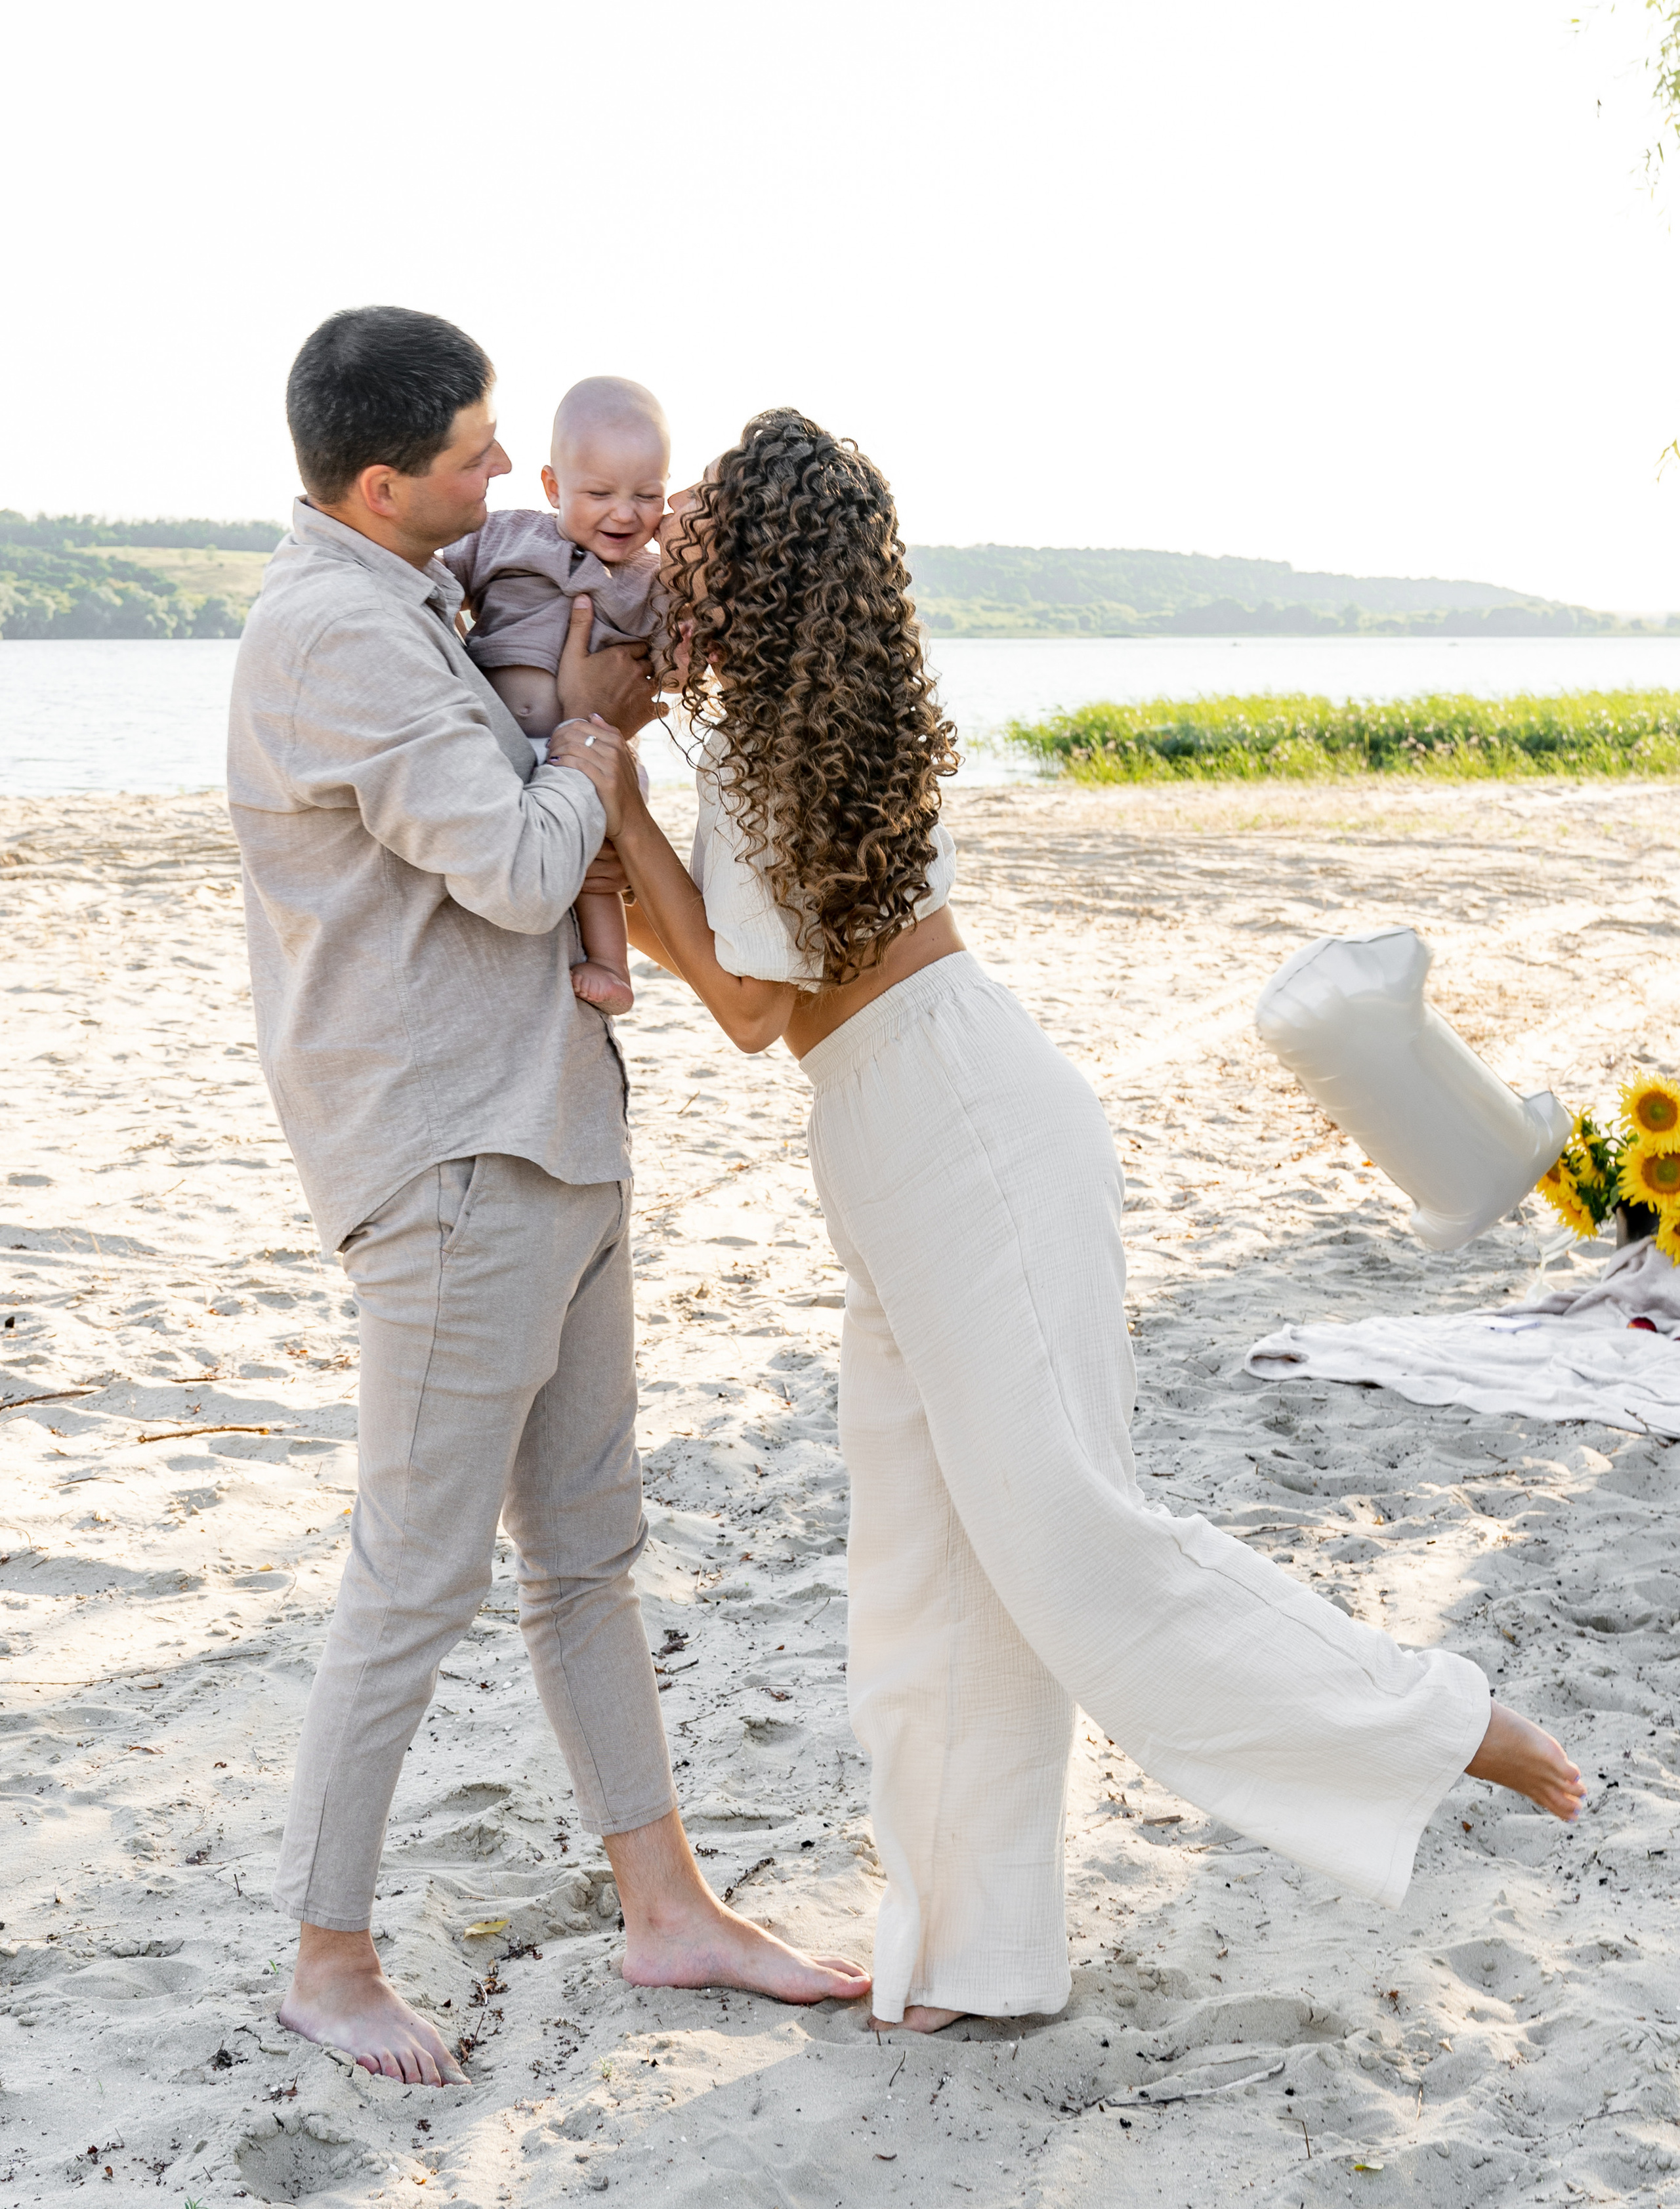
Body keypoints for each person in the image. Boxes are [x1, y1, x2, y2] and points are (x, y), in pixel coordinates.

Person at [553, 406, 1587, 2036]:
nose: (662, 549)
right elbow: (757, 986)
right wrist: (614, 776)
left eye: (695, 534)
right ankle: (974, 1957)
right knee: (928, 1574)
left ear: (751, 567)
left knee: (1067, 1538)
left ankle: (1438, 1721)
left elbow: (746, 1007)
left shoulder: (778, 751)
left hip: (966, 1129)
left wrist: (606, 788)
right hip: (892, 1135)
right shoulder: (785, 727)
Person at [228, 316, 870, 2086]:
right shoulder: (334, 634)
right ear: (382, 485)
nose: (505, 472)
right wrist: (590, 741)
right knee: (415, 1572)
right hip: (450, 1160)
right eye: (474, 451)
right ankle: (327, 1958)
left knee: (587, 1554)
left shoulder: (426, 596)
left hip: (553, 1133)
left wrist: (591, 710)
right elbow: (520, 875)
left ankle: (666, 1907)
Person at [441, 375, 671, 1016]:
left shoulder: (652, 580)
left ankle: (610, 964)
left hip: (591, 749)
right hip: (502, 751)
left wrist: (680, 647)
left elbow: (674, 663)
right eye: (599, 494)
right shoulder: (505, 536)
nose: (624, 514)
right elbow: (436, 580)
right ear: (552, 488)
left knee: (597, 870)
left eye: (647, 496)